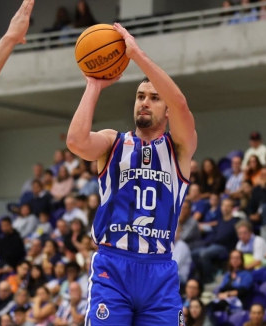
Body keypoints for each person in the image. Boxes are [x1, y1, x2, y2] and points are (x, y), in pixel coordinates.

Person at [66, 22, 197, 326]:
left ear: (166, 112)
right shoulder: (113, 142)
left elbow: (180, 103)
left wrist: (136, 54)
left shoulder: (180, 149)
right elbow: (75, 141)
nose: (145, 102)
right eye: (140, 96)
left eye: (153, 97)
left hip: (159, 271)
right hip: (114, 265)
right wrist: (93, 86)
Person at [191, 197, 239, 283]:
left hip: (225, 247)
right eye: (223, 206)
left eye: (228, 206)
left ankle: (209, 279)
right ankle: (203, 276)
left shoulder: (235, 222)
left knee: (204, 254)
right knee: (194, 253)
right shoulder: (219, 221)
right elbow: (214, 234)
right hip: (213, 245)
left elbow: (227, 237)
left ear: (232, 208)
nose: (225, 208)